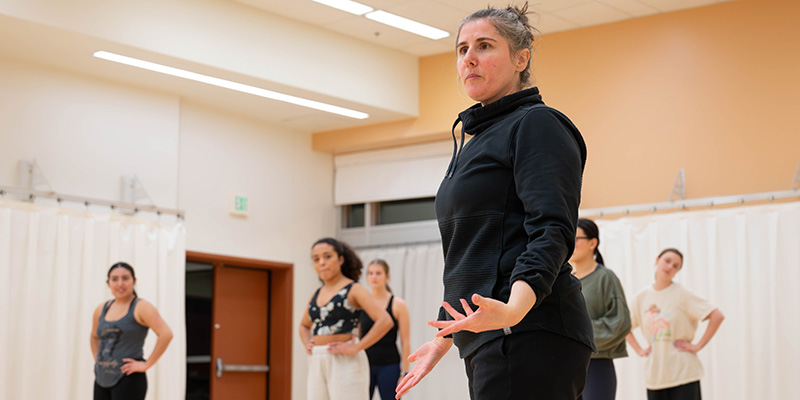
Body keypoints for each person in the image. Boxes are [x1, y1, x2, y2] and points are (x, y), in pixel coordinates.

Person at [395, 3, 595, 399]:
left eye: (484, 46)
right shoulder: (478, 140)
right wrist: (446, 333)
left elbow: (551, 228)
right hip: (492, 333)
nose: (469, 58)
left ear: (521, 58)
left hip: (530, 330)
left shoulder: (536, 124)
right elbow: (474, 249)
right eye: (462, 49)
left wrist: (515, 309)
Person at [300, 238, 393, 400]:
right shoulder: (315, 294)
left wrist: (357, 348)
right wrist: (307, 343)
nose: (322, 262)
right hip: (317, 360)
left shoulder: (354, 289)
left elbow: (385, 321)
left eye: (327, 256)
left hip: (345, 360)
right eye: (316, 259)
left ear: (341, 259)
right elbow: (304, 325)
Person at [626, 248, 725, 400]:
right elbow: (625, 326)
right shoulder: (641, 297)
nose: (670, 266)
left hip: (684, 373)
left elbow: (717, 315)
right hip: (655, 376)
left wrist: (697, 345)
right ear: (657, 260)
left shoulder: (683, 294)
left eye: (675, 266)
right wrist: (639, 350)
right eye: (667, 261)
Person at [90, 262, 173, 400]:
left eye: (125, 278)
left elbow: (166, 334)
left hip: (128, 379)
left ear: (134, 281)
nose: (120, 283)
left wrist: (147, 364)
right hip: (101, 379)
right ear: (108, 283)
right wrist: (98, 360)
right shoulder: (101, 309)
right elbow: (94, 337)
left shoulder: (141, 307)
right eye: (115, 279)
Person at [571, 219, 631, 400]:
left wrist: (579, 334)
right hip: (567, 366)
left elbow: (620, 323)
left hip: (597, 366)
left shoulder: (606, 278)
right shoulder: (566, 281)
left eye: (576, 238)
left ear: (593, 243)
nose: (570, 243)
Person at [359, 259, 411, 399]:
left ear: (387, 276)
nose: (373, 277)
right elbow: (357, 337)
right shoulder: (361, 303)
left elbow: (405, 341)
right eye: (370, 273)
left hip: (389, 365)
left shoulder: (398, 304)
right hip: (364, 365)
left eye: (378, 273)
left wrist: (404, 374)